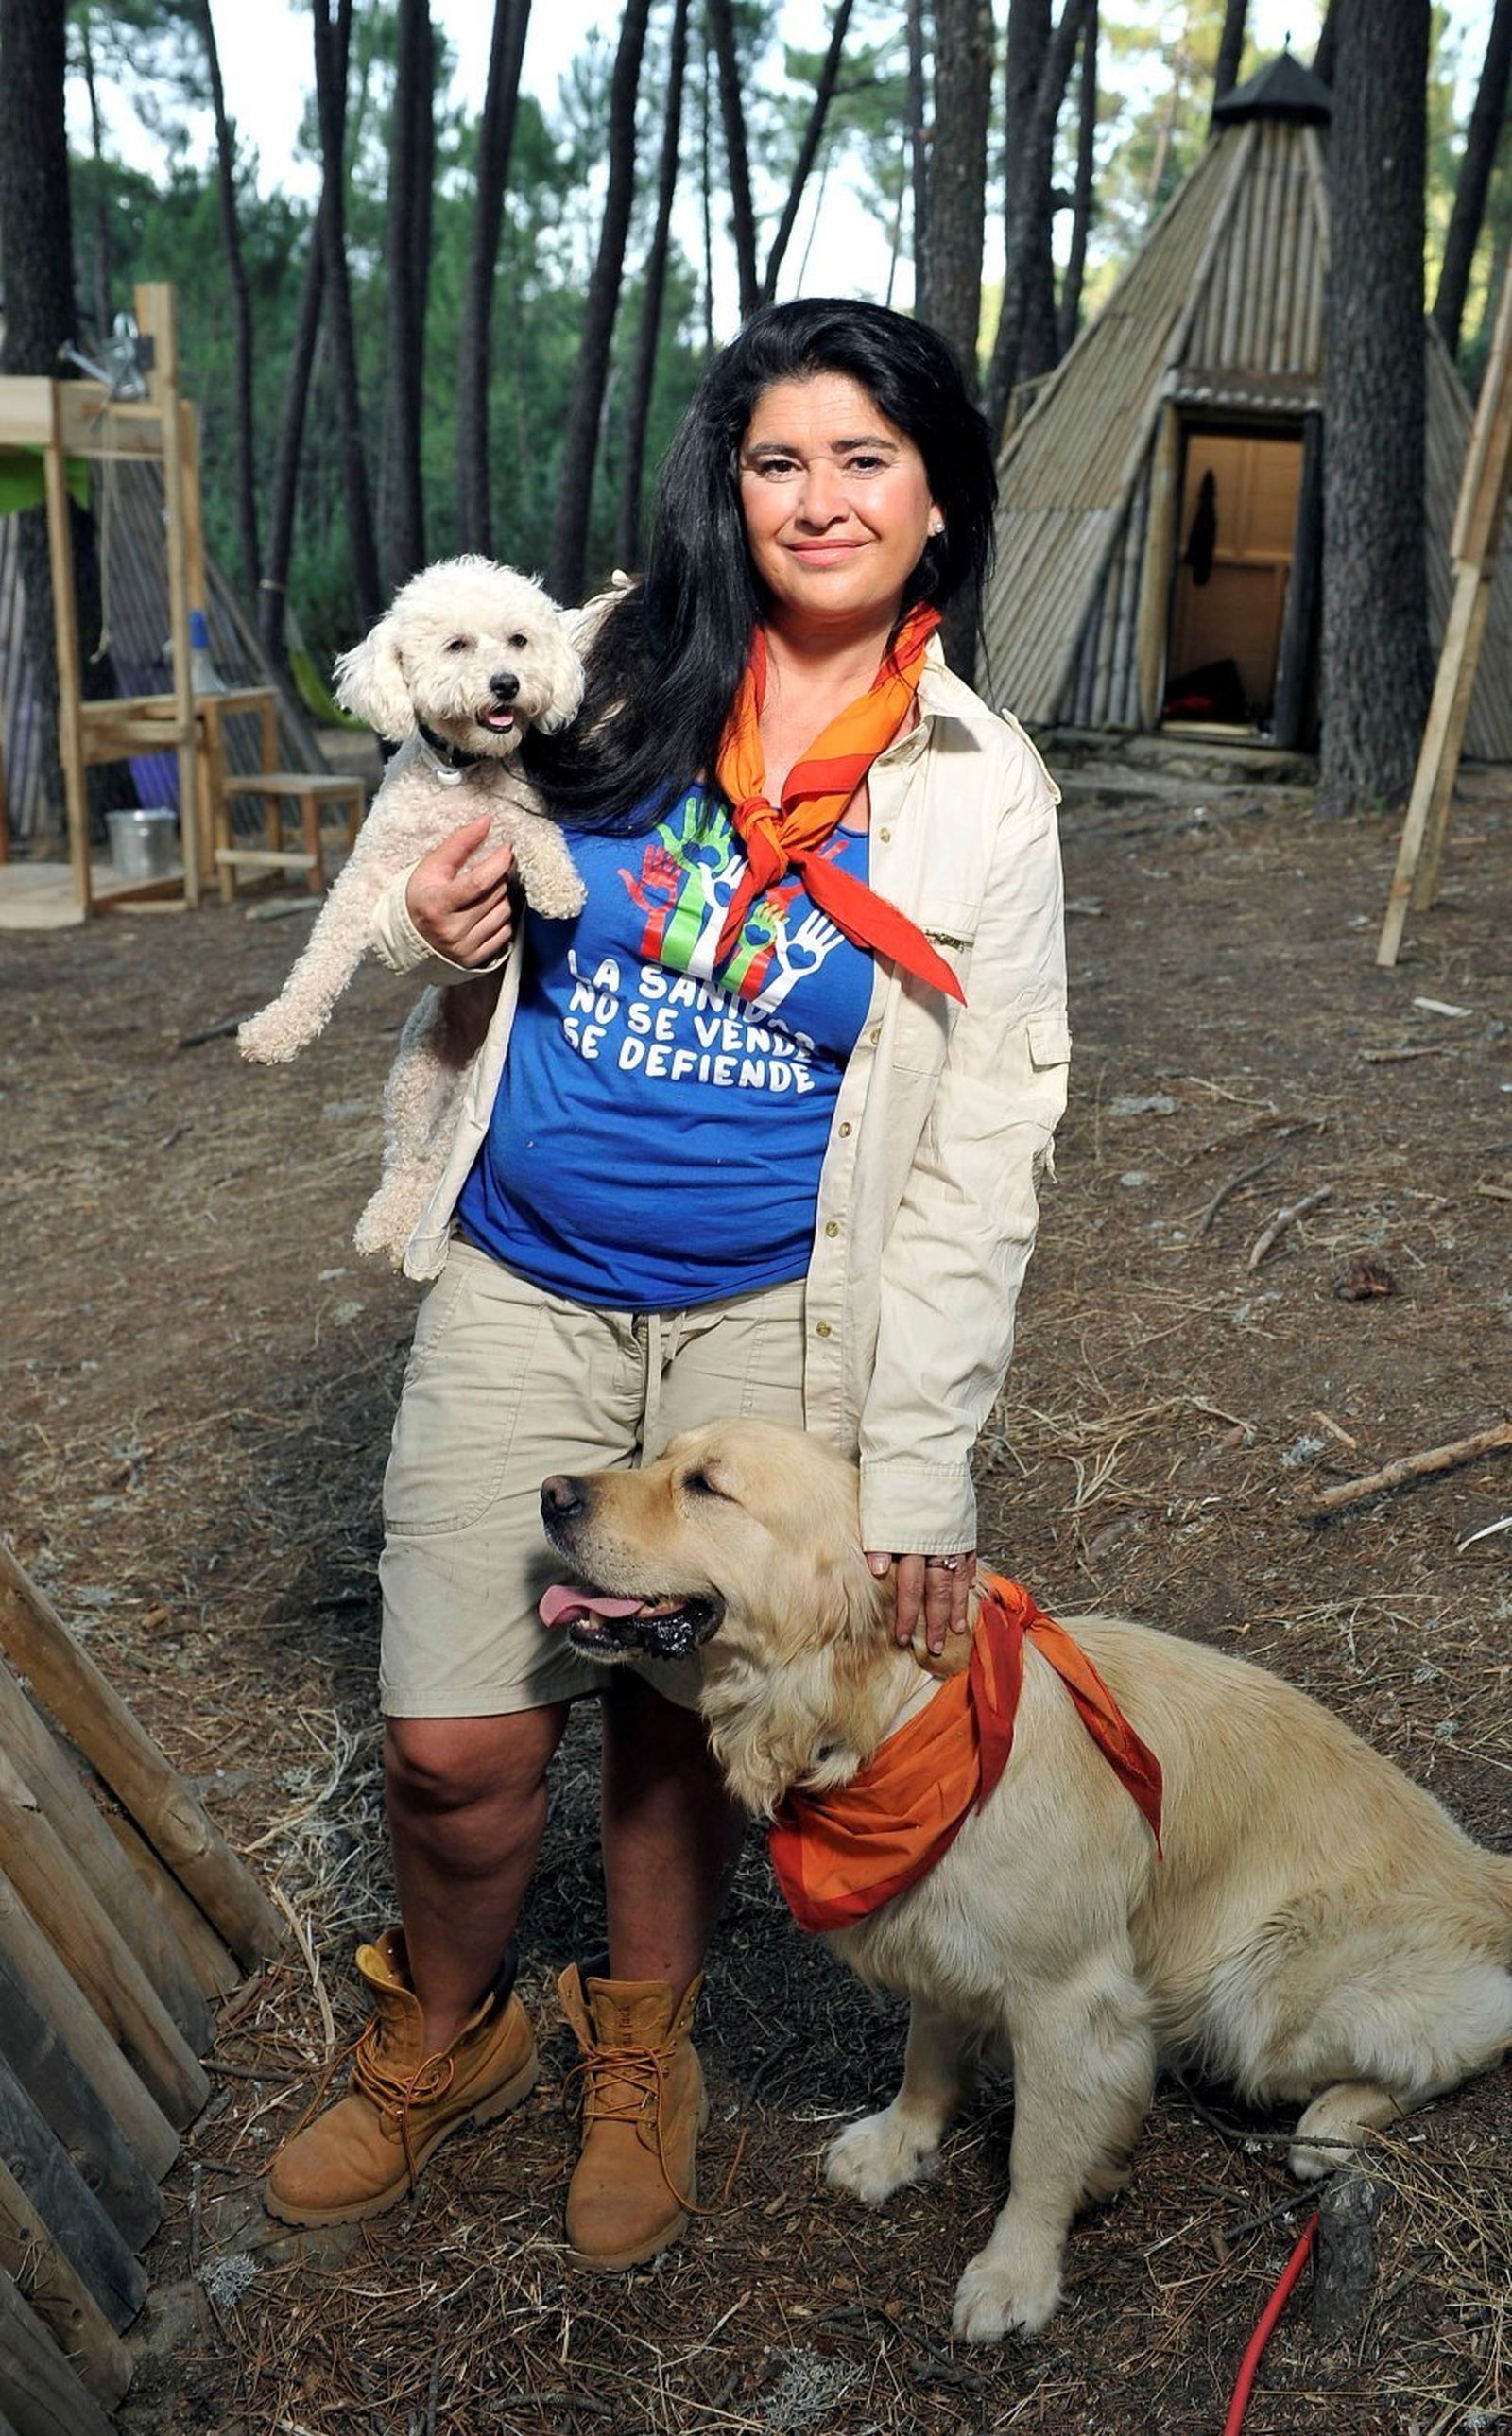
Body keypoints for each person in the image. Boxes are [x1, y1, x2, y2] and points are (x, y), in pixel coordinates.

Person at [265, 298, 1070, 2269]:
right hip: (525, 1274)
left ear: (938, 499)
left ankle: (641, 2046)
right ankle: (437, 2029)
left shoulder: (981, 786)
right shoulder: (604, 667)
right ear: (728, 483)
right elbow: (432, 873)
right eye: (776, 456)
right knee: (456, 1743)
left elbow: (980, 1153)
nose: (817, 498)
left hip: (768, 1319)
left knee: (665, 1714)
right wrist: (437, 931)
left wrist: (920, 1478)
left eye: (864, 458)